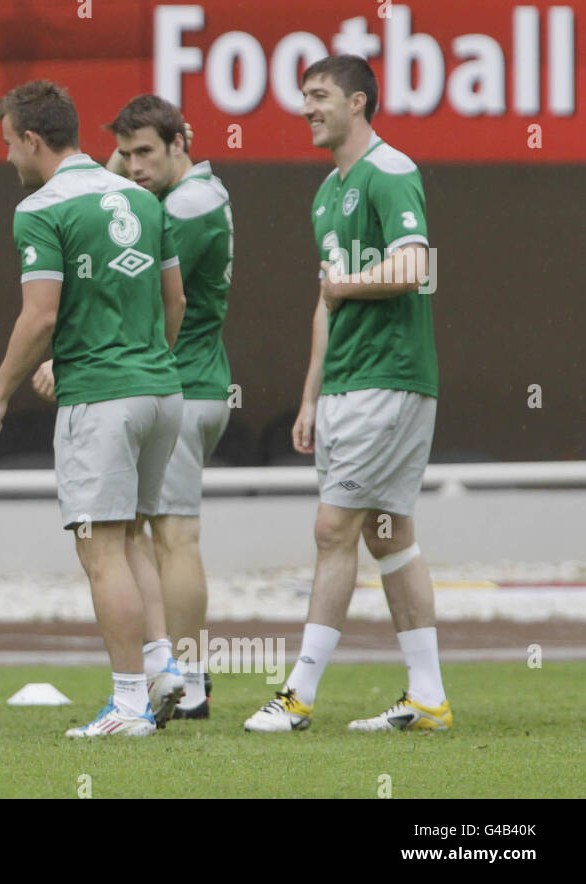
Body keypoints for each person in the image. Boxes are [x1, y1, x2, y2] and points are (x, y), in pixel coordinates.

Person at [0, 80, 187, 737]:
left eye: (10, 144)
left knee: (100, 550)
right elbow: (174, 300)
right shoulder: (144, 199)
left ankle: (128, 707)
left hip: (103, 399)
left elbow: (40, 317)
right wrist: (143, 357)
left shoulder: (41, 209)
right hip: (161, 392)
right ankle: (162, 665)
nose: (8, 158)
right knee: (132, 537)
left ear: (33, 140)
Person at [243, 55, 448, 733]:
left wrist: (346, 285)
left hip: (388, 376)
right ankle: (427, 697)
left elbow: (417, 266)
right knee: (390, 535)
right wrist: (309, 396)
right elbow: (325, 304)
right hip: (348, 383)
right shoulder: (327, 193)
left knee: (334, 529)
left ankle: (298, 695)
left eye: (320, 94)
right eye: (303, 95)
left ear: (358, 102)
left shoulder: (390, 172)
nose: (307, 107)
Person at [34, 96, 233, 719]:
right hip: (190, 380)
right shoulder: (193, 197)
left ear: (182, 143)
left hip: (179, 380)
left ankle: (187, 679)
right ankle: (169, 670)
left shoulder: (181, 208)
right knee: (150, 534)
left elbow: (146, 291)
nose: (134, 165)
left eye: (146, 151)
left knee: (172, 537)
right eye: (125, 152)